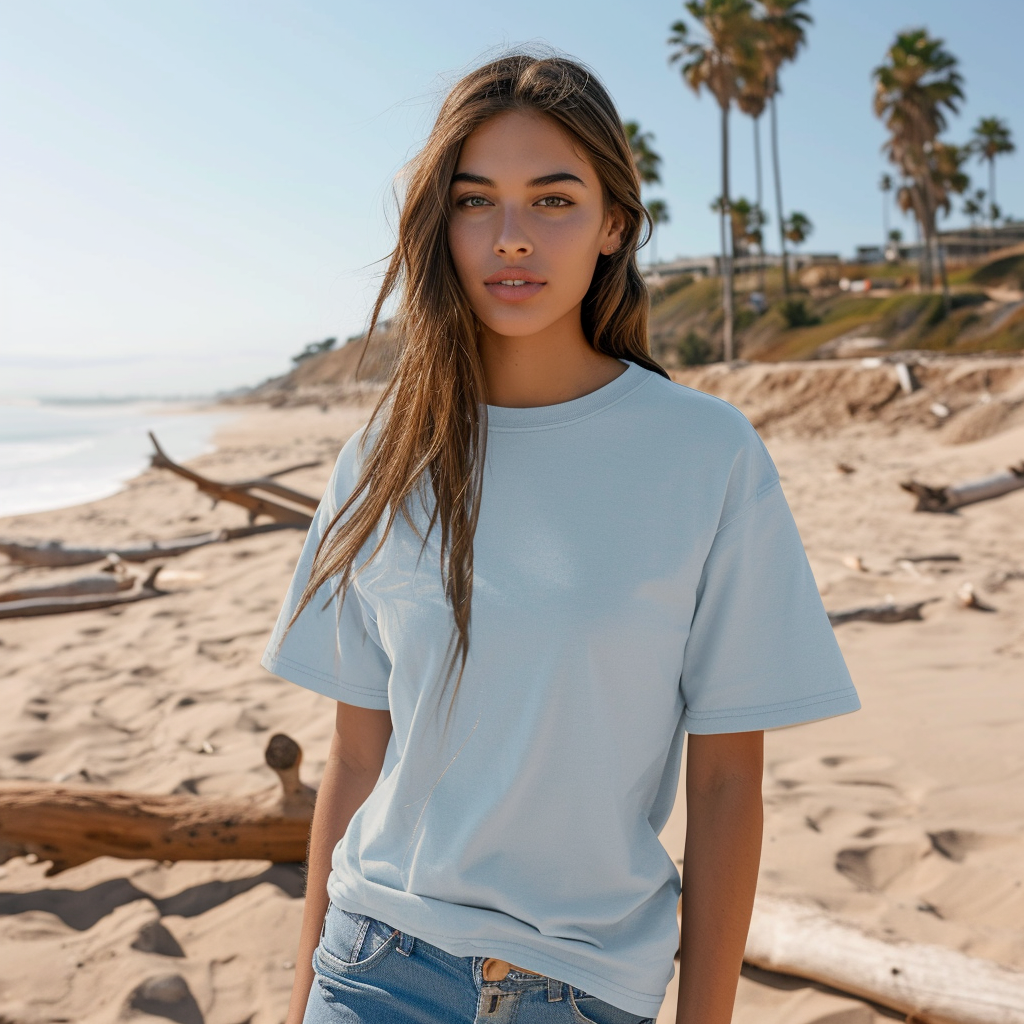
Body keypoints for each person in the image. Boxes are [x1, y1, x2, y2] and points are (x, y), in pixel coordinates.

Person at [262, 52, 861, 1024]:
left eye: (552, 200)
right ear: (440, 223)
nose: (510, 238)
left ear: (613, 223)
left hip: (581, 988)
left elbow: (723, 782)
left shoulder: (705, 454)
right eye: (474, 201)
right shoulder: (379, 459)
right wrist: (299, 1004)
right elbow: (357, 759)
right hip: (371, 963)